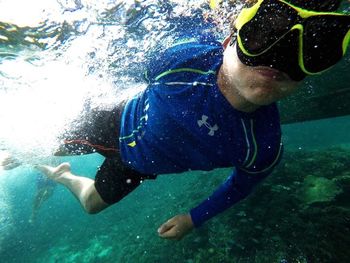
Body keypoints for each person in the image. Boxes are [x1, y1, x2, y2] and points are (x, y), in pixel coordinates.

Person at [19, 0, 350, 240]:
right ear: (229, 37)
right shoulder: (184, 58)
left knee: (91, 205)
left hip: (137, 167)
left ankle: (59, 176)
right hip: (110, 123)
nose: (280, 59)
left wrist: (194, 218)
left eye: (315, 51)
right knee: (29, 147)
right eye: (263, 34)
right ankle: (32, 157)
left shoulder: (262, 146)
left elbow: (242, 185)